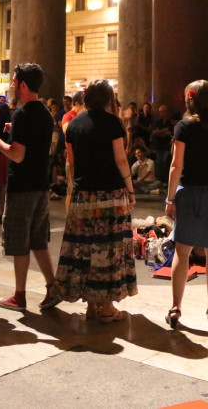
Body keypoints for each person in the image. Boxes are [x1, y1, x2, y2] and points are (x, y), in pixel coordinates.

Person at [53, 79, 137, 321]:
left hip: (83, 195)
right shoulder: (113, 123)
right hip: (109, 195)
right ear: (108, 99)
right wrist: (130, 190)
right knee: (107, 249)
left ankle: (92, 306)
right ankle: (107, 308)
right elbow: (121, 160)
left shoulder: (74, 125)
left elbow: (72, 163)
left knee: (86, 250)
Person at [0, 63, 59, 312]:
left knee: (19, 241)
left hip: (22, 186)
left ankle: (19, 295)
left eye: (14, 81)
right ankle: (52, 286)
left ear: (23, 85)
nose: (12, 85)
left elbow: (17, 155)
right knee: (38, 240)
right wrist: (13, 131)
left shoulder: (22, 114)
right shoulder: (45, 113)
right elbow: (33, 143)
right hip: (41, 186)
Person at [163, 80, 208, 330]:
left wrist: (170, 198)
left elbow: (176, 165)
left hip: (190, 192)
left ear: (190, 100)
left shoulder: (184, 127)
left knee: (182, 251)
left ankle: (175, 308)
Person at [150, 105, 175, 188]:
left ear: (166, 112)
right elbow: (154, 132)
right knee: (159, 162)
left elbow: (169, 133)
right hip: (159, 145)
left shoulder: (170, 122)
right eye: (160, 112)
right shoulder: (158, 122)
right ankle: (159, 180)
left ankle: (165, 180)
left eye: (163, 111)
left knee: (165, 162)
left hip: (166, 146)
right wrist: (164, 131)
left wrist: (159, 132)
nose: (162, 113)